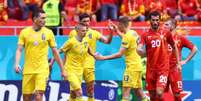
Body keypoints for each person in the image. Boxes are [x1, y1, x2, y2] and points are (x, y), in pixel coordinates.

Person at [14, 9, 66, 101]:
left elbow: (55, 51)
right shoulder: (24, 32)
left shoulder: (49, 33)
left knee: (39, 95)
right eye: (42, 18)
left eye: (45, 18)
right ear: (35, 19)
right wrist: (16, 64)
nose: (45, 20)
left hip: (42, 69)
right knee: (26, 98)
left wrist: (63, 69)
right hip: (28, 70)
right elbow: (19, 49)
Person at [95, 16, 148, 101]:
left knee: (125, 94)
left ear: (121, 24)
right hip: (138, 66)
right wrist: (117, 31)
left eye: (118, 25)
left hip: (131, 68)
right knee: (140, 93)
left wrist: (102, 57)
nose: (117, 26)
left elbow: (119, 54)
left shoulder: (127, 36)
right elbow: (127, 40)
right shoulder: (133, 33)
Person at [68, 13, 113, 101]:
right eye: (84, 21)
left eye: (88, 21)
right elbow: (69, 50)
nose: (87, 23)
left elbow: (107, 41)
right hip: (76, 66)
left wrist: (111, 32)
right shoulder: (73, 33)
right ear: (79, 22)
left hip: (89, 66)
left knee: (91, 91)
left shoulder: (94, 33)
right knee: (74, 93)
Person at [137, 11, 179, 101]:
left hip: (163, 69)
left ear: (159, 20)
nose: (155, 22)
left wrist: (178, 63)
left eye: (157, 20)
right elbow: (139, 47)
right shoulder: (145, 35)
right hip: (150, 70)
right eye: (153, 20)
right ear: (150, 21)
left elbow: (174, 46)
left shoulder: (166, 33)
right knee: (152, 97)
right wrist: (139, 50)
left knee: (159, 93)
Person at [162, 18, 198, 101]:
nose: (164, 26)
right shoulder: (161, 37)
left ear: (173, 26)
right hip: (163, 69)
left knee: (177, 93)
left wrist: (185, 61)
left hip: (175, 69)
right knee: (161, 93)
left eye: (166, 24)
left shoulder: (180, 38)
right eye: (164, 24)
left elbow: (194, 49)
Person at [59, 23, 95, 101]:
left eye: (85, 31)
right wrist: (53, 64)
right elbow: (58, 52)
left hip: (79, 71)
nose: (84, 32)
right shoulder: (70, 42)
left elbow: (90, 51)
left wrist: (97, 56)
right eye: (82, 31)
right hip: (70, 71)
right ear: (77, 31)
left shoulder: (85, 41)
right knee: (79, 92)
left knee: (73, 94)